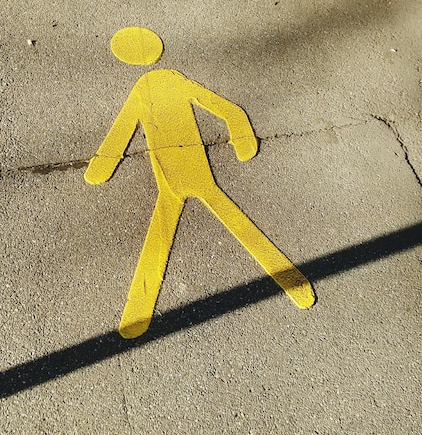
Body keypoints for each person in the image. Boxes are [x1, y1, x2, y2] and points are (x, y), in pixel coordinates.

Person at [85, 27, 315, 338]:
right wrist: (242, 140)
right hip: (194, 173)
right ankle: (294, 283)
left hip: (176, 175)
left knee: (161, 234)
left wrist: (103, 166)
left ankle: (137, 312)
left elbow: (122, 128)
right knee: (236, 225)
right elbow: (228, 110)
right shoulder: (174, 81)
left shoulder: (148, 87)